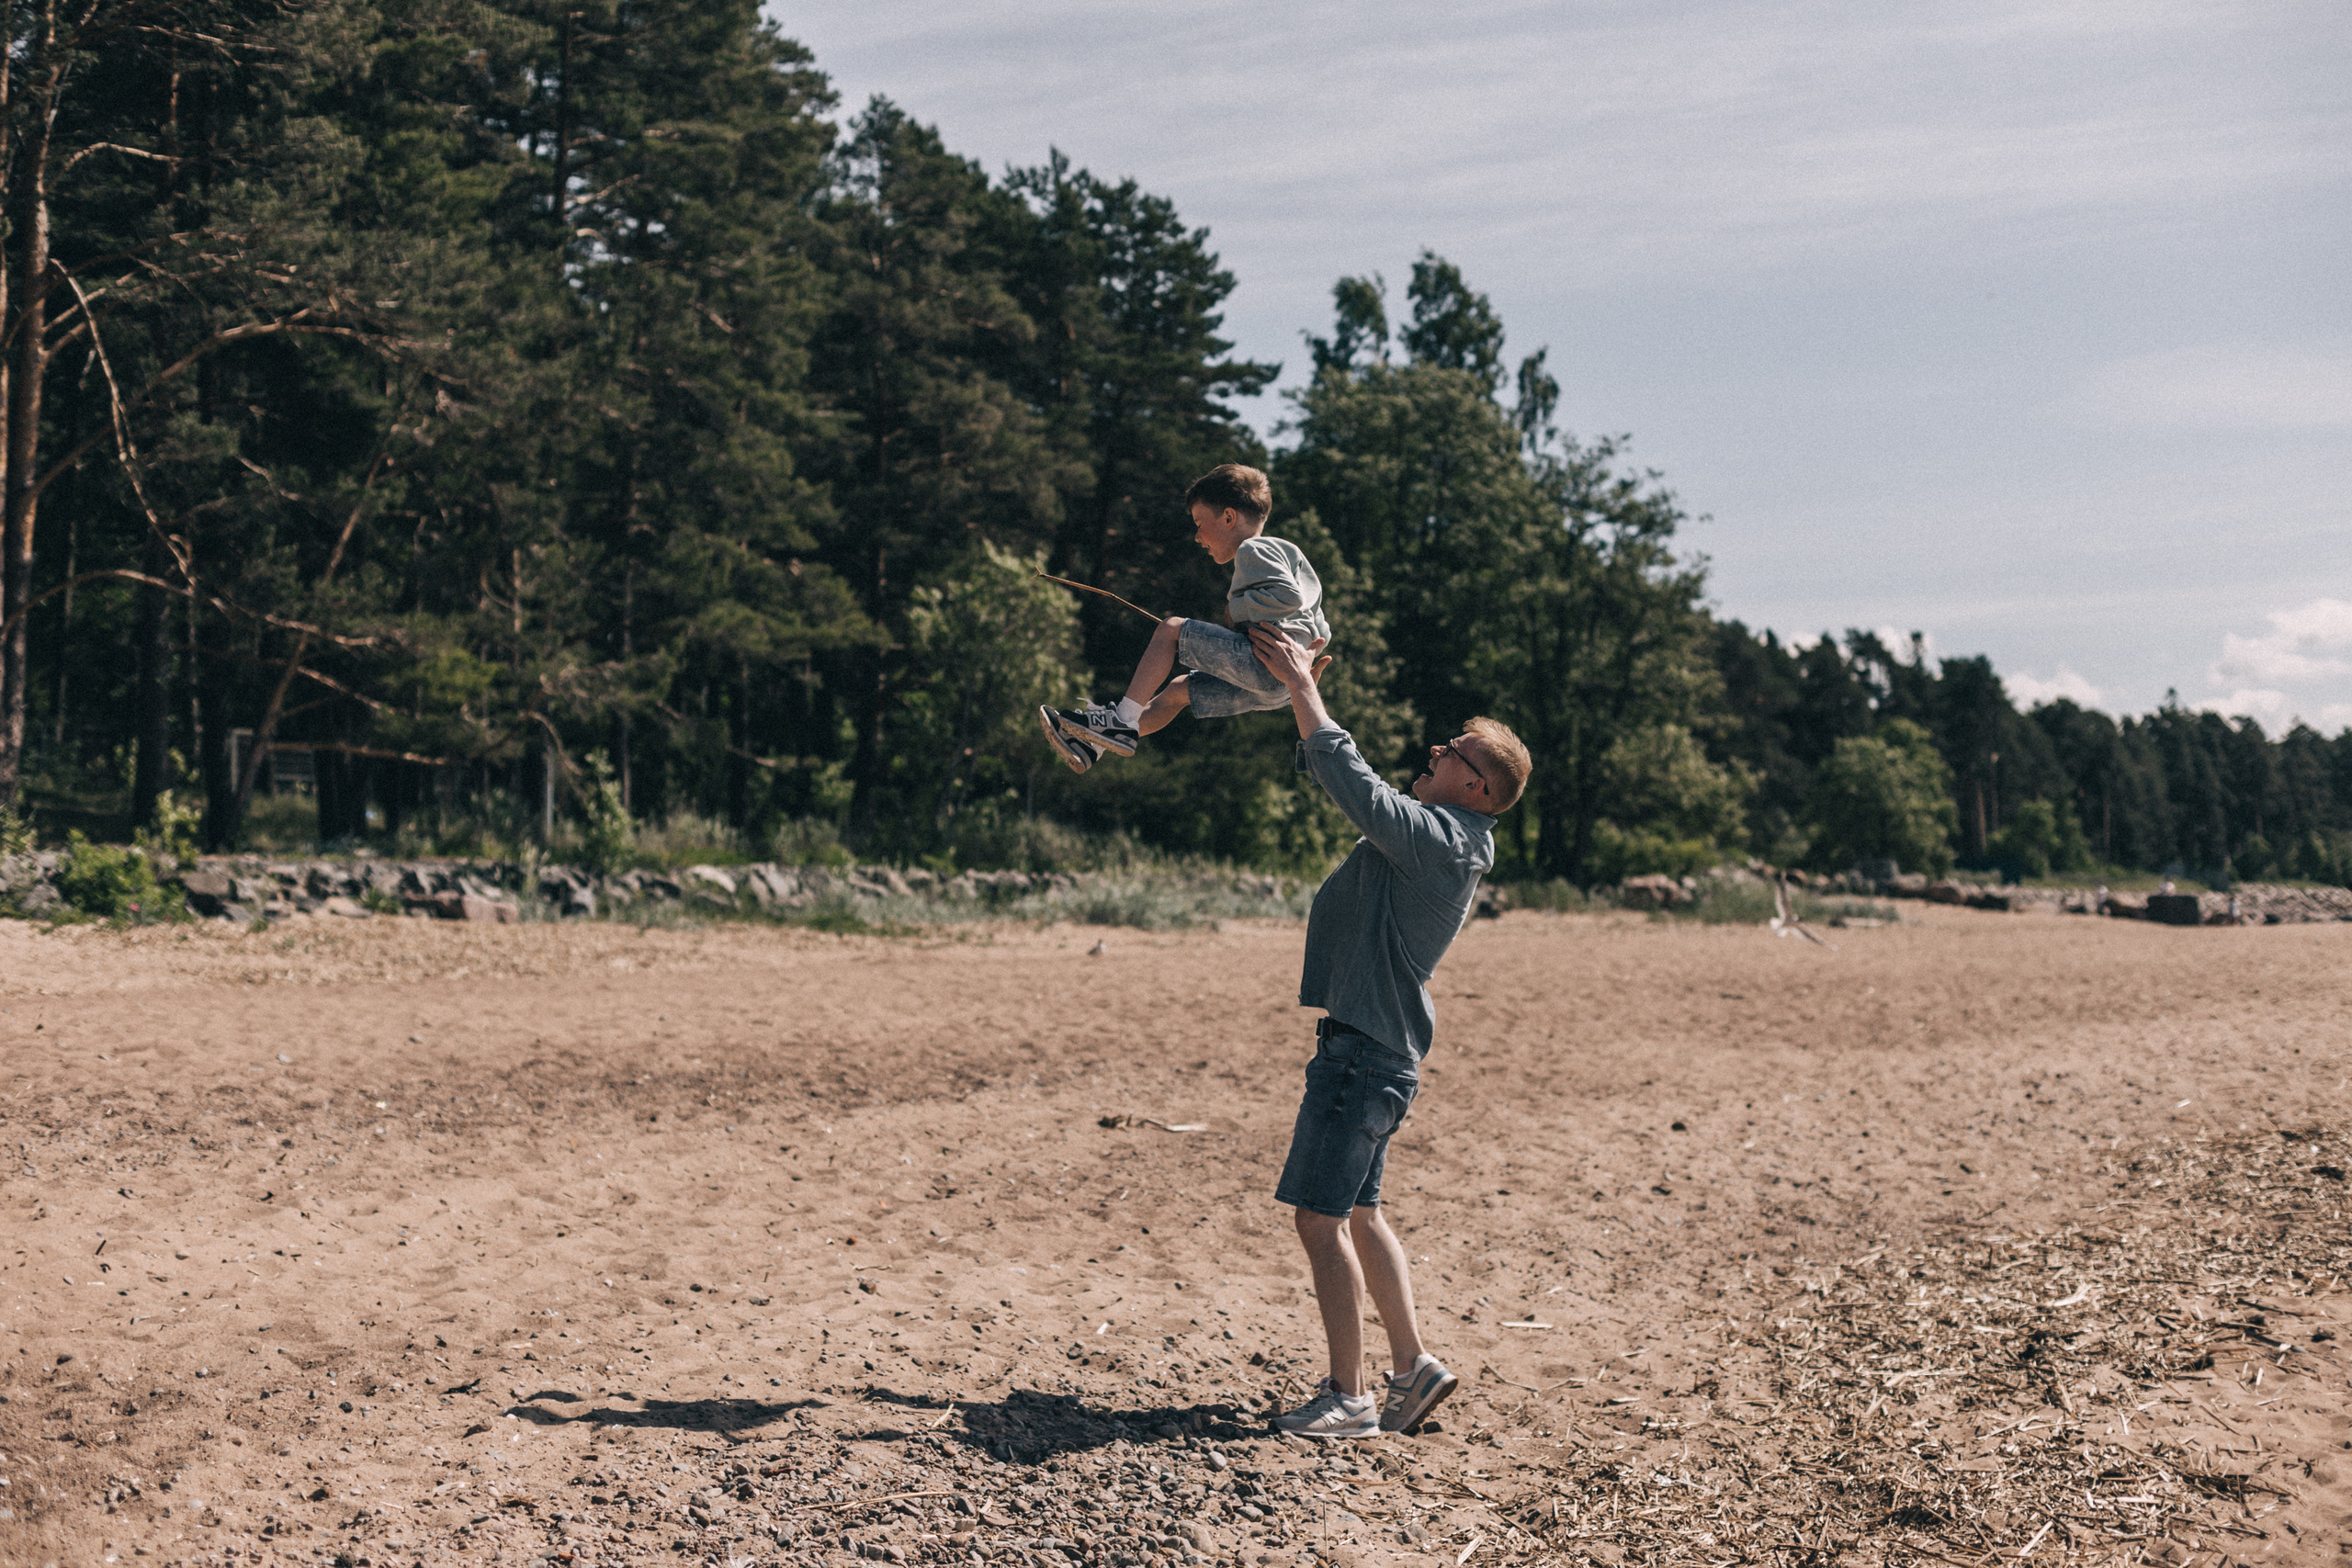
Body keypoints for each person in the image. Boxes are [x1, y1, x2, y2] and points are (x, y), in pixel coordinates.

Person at [1242, 621, 1532, 1439]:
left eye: (1453, 752)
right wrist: (1293, 691)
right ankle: (1413, 1369)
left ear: (1477, 786)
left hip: (1364, 1056)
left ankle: (1350, 1396)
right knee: (1362, 1216)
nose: (1437, 750)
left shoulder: (1442, 841)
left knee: (1318, 1218)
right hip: (1379, 1054)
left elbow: (1356, 785)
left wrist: (1303, 685)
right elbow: (1348, 782)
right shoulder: (1443, 836)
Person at [1040, 463, 1329, 773]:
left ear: (1229, 518)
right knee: (1178, 691)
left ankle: (1120, 722)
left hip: (1265, 667)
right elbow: (1319, 626)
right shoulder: (1290, 556)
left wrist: (1236, 610)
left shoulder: (1254, 549)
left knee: (1172, 629)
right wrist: (1303, 666)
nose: (1197, 536)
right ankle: (1092, 745)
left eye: (1200, 522)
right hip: (1285, 686)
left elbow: (1289, 599)